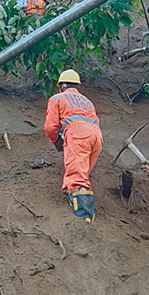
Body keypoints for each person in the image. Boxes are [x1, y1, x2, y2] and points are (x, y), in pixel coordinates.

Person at [44, 69, 102, 223]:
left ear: (62, 85)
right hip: (97, 136)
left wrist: (56, 140)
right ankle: (70, 192)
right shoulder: (87, 101)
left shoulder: (57, 98)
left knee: (78, 178)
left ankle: (84, 218)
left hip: (78, 134)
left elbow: (50, 127)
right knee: (82, 172)